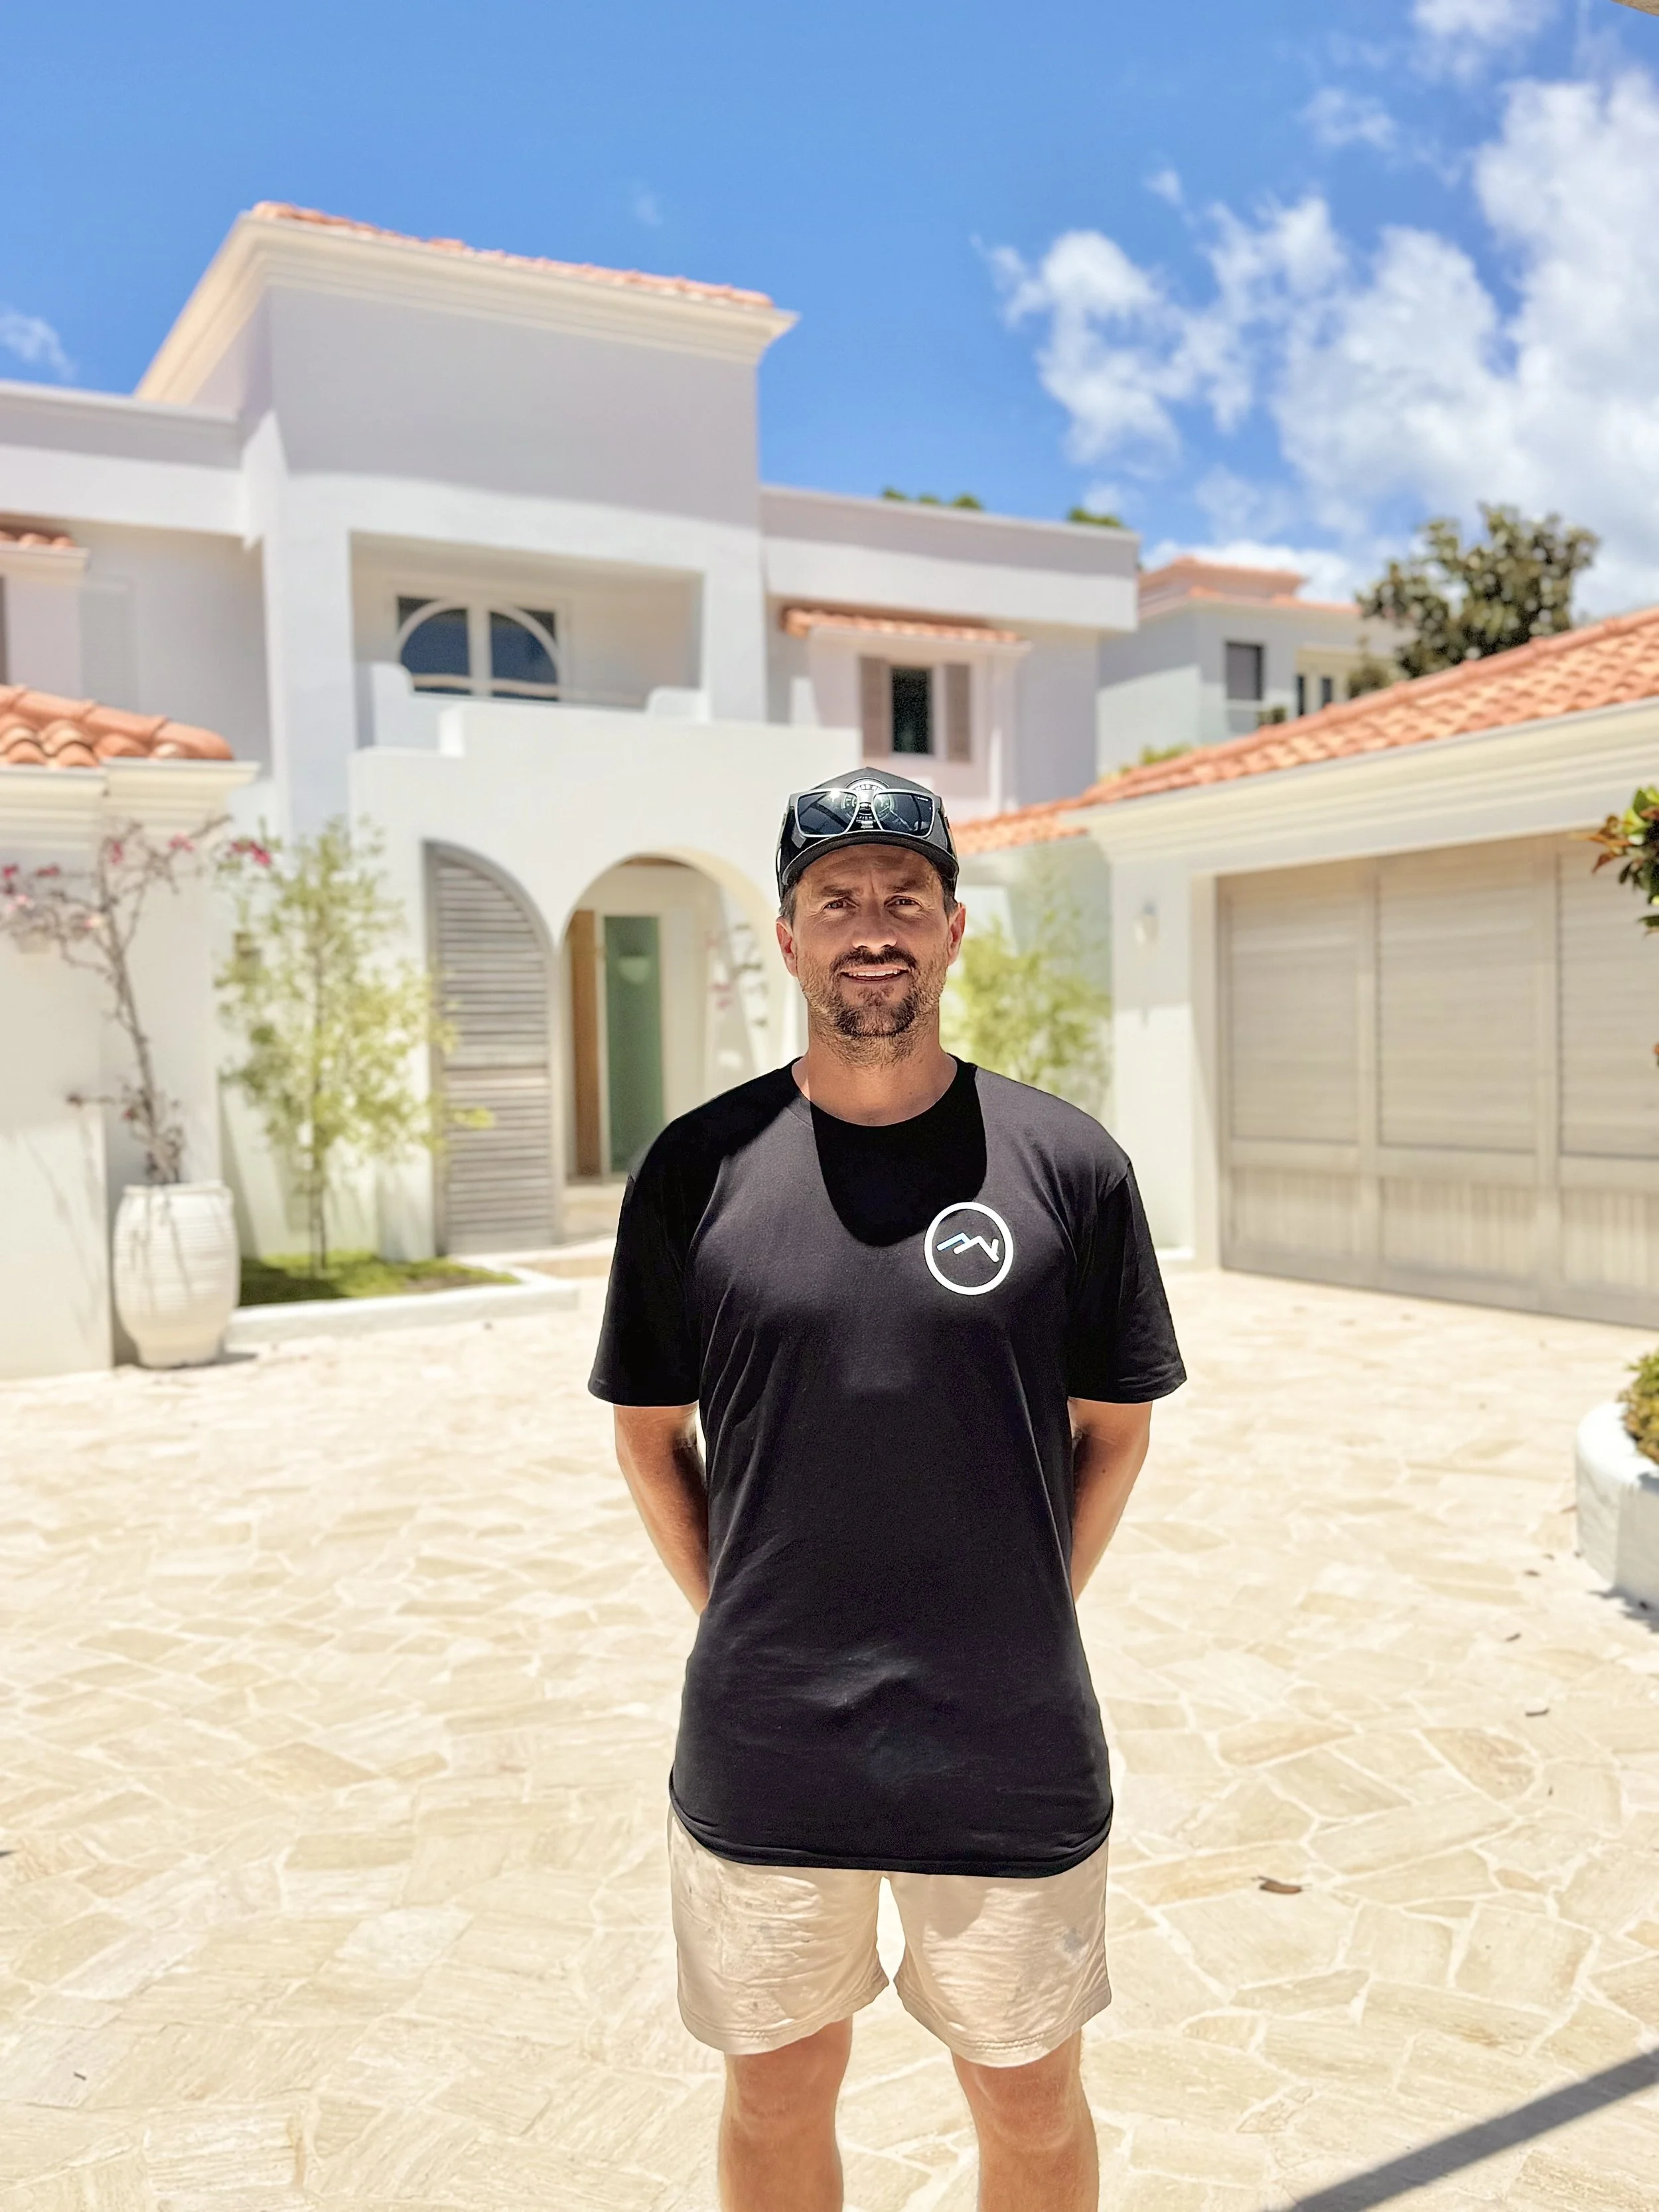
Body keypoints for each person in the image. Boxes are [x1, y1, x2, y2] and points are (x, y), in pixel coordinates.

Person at [590, 767, 1185, 2212]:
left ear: (953, 930)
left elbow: (1114, 1424)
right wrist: (739, 1609)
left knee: (1031, 2102)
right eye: (834, 898)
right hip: (767, 1739)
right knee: (776, 2089)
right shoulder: (696, 1171)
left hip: (1007, 1735)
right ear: (784, 940)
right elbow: (647, 1431)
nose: (872, 926)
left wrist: (1026, 1600)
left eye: (901, 898)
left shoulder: (1065, 1167)